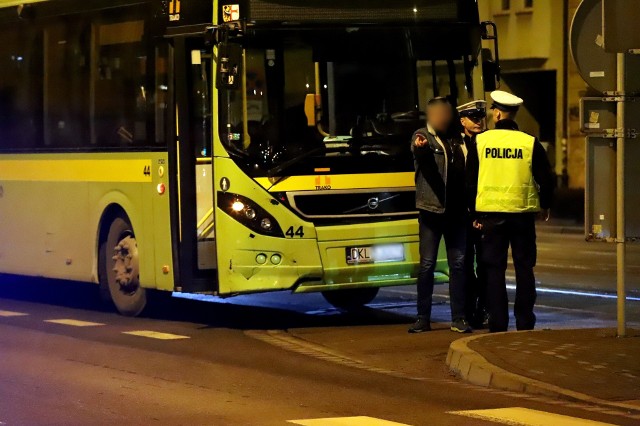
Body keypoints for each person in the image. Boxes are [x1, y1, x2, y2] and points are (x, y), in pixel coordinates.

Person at [466, 90, 555, 333]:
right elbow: (546, 178)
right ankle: (525, 322)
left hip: (490, 216)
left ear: (496, 113)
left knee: (494, 271)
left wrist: (473, 213)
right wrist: (545, 204)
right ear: (515, 114)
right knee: (524, 268)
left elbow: (470, 181)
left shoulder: (481, 142)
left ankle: (498, 323)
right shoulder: (529, 142)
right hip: (522, 216)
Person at [409, 96, 471, 334]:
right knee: (427, 265)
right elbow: (421, 157)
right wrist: (422, 151)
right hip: (432, 210)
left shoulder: (460, 138)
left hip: (458, 213)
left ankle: (459, 318)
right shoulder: (423, 136)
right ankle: (422, 318)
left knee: (458, 264)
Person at [457, 100, 489, 329]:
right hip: (462, 215)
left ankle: (483, 309)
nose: (478, 122)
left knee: (486, 265)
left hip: (484, 213)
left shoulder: (489, 142)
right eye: (473, 118)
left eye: (481, 118)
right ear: (462, 121)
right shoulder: (454, 144)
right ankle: (467, 310)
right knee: (465, 265)